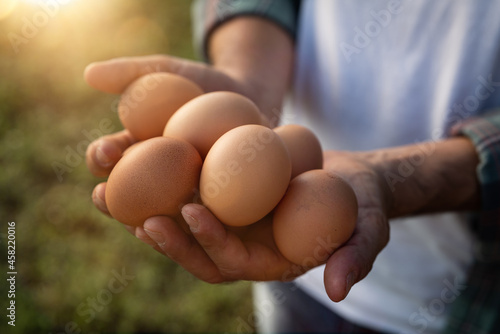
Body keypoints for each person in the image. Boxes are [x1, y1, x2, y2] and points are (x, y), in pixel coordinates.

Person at [84, 1, 500, 333]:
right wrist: (248, 79)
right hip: (286, 266)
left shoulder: (270, 161)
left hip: (450, 298)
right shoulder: (259, 155)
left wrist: (399, 182)